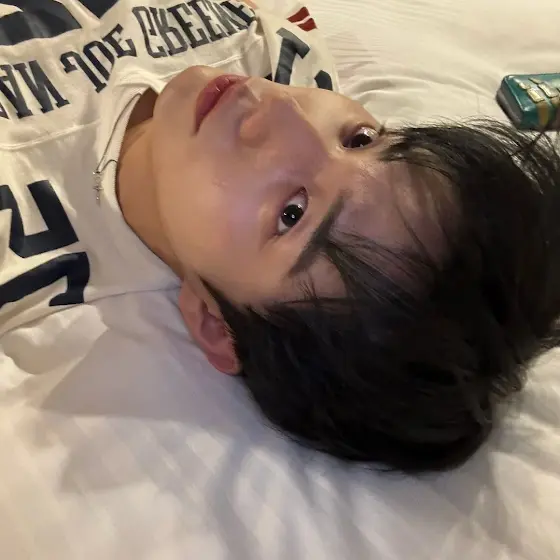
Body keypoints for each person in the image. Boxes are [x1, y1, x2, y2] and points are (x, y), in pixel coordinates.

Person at [1, 0, 560, 474]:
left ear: (215, 323)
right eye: (361, 139)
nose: (285, 109)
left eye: (293, 214)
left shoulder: (20, 231)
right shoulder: (287, 52)